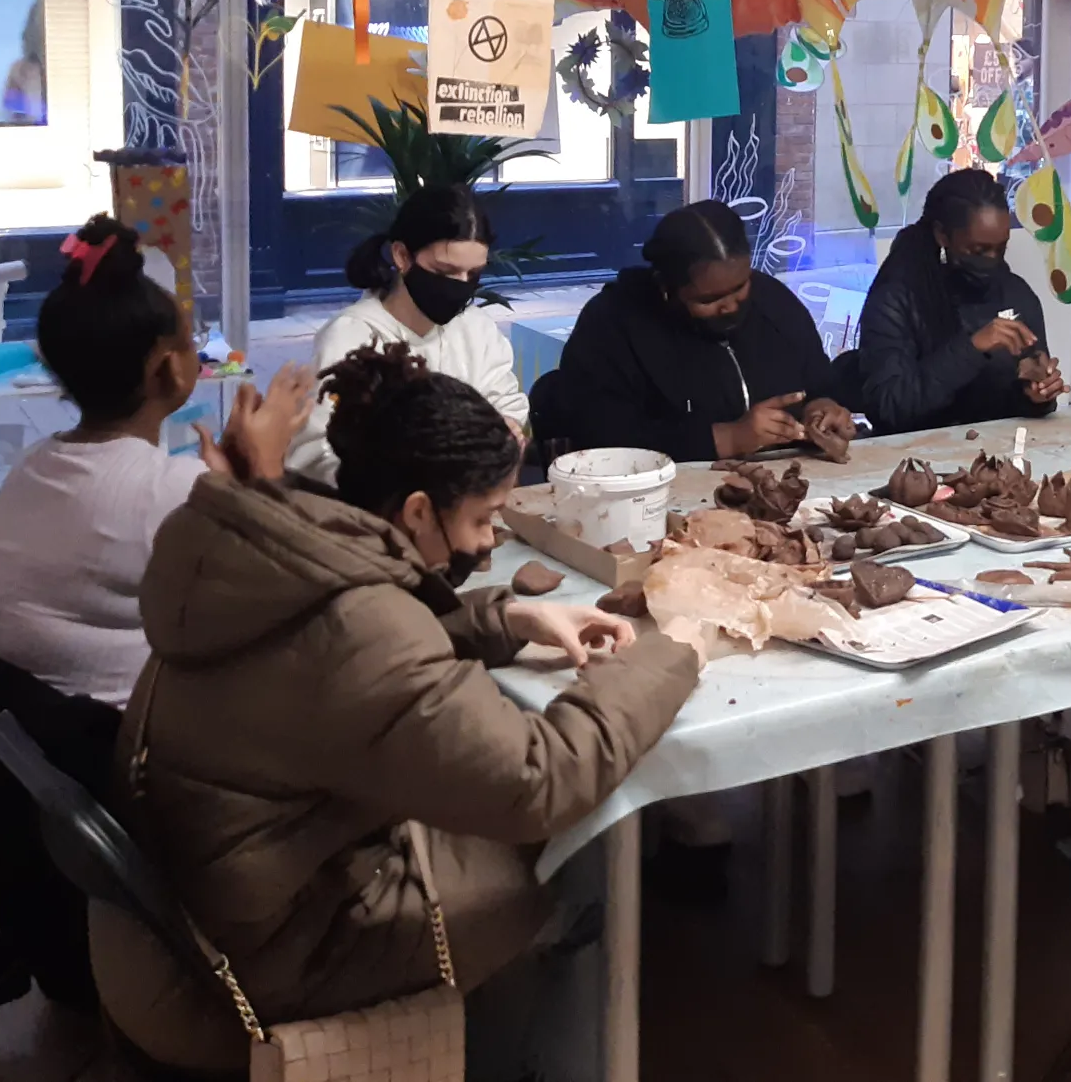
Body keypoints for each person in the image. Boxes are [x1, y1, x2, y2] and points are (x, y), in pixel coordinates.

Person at [95, 342, 701, 1079]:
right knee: (575, 872)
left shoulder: (264, 548)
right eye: (483, 520)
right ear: (418, 510)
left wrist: (505, 621)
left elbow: (334, 667)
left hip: (182, 915)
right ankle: (511, 1061)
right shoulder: (359, 623)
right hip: (251, 965)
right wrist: (672, 654)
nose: (486, 549)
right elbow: (538, 779)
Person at [0, 215, 230, 711]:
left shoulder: (31, 468)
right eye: (190, 341)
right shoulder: (172, 489)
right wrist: (254, 480)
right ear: (168, 367)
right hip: (117, 749)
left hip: (23, 732)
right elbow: (279, 588)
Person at [533, 200, 853, 461]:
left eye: (740, 287)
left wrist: (821, 409)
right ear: (666, 288)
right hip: (659, 502)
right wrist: (726, 438)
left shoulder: (774, 302)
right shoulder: (612, 323)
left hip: (793, 488)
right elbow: (601, 436)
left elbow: (818, 380)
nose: (729, 306)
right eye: (709, 299)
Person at [287, 182, 527, 483]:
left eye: (474, 274)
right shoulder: (350, 337)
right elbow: (314, 452)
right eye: (444, 272)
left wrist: (506, 432)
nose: (461, 285)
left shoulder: (476, 329)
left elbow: (507, 405)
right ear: (402, 256)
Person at [857, 167, 1065, 433]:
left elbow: (1017, 406)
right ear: (942, 235)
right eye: (978, 250)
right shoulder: (897, 298)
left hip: (994, 459)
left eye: (1001, 249)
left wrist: (1036, 396)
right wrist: (972, 348)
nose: (992, 260)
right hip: (914, 463)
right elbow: (888, 408)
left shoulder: (1015, 294)